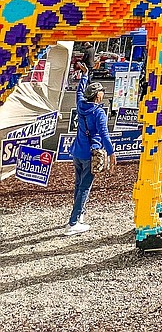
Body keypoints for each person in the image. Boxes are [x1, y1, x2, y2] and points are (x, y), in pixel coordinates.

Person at [66, 64, 116, 235]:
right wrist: (111, 152)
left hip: (78, 151)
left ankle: (79, 216)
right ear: (97, 95)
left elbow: (79, 91)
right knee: (85, 187)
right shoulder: (99, 112)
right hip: (91, 153)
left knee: (78, 185)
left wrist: (85, 75)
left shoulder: (81, 105)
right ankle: (73, 223)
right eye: (101, 91)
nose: (103, 93)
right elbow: (104, 134)